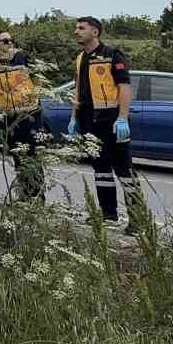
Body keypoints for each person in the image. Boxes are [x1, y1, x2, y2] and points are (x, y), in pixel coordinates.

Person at [65, 16, 141, 232]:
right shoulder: (80, 58)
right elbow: (78, 88)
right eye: (76, 28)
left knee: (124, 170)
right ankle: (108, 214)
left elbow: (124, 87)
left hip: (112, 119)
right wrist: (74, 117)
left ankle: (138, 219)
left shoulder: (112, 55)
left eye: (81, 28)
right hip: (89, 120)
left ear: (95, 32)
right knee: (101, 169)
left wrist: (122, 117)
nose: (76, 31)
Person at [0, 29, 45, 202]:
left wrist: (35, 96)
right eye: (4, 41)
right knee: (19, 157)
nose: (9, 43)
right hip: (8, 117)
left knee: (31, 157)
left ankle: (36, 197)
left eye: (11, 40)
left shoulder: (22, 57)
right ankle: (25, 194)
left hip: (30, 114)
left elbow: (38, 78)